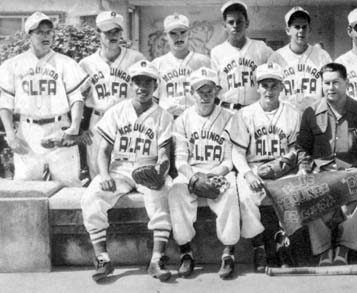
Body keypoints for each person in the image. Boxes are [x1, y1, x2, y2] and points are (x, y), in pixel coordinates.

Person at [80, 61, 173, 282]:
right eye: (137, 82)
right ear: (130, 84)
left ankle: (157, 260)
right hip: (119, 168)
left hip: (148, 165)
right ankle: (103, 258)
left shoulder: (163, 115)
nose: (142, 87)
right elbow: (103, 151)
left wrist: (160, 173)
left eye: (147, 82)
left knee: (161, 195)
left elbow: (165, 154)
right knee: (91, 198)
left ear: (155, 85)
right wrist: (103, 175)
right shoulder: (116, 111)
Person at [296, 63, 357, 266]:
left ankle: (344, 247)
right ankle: (324, 249)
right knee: (307, 191)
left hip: (351, 170)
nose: (331, 88)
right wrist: (303, 168)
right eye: (326, 83)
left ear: (346, 84)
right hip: (321, 170)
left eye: (336, 83)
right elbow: (302, 148)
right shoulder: (311, 112)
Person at [0, 12, 89, 186]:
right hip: (27, 131)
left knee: (69, 184)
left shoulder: (65, 63)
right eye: (40, 32)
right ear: (29, 35)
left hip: (58, 128)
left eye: (49, 32)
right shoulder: (14, 64)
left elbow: (76, 98)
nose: (45, 36)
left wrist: (74, 128)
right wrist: (10, 134)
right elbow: (5, 102)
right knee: (25, 187)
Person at [167, 67, 240, 279]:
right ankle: (186, 251)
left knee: (230, 193)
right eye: (200, 91)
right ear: (192, 93)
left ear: (217, 91)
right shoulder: (182, 120)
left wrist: (213, 175)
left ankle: (228, 251)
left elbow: (229, 159)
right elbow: (180, 159)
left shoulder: (229, 117)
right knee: (176, 191)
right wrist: (193, 177)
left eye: (209, 90)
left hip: (219, 170)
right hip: (192, 171)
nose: (205, 96)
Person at [228, 62, 301, 271]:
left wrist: (283, 163)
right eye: (265, 85)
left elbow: (297, 148)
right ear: (257, 87)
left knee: (292, 191)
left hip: (283, 167)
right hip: (254, 166)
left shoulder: (292, 113)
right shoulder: (245, 114)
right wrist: (248, 174)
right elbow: (237, 153)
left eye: (274, 85)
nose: (269, 90)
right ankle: (258, 247)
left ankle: (283, 243)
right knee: (246, 196)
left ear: (281, 87)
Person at [80, 11, 146, 179]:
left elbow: (149, 94)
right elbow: (76, 99)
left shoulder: (136, 58)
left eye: (116, 30)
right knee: (98, 176)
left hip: (127, 121)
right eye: (107, 31)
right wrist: (81, 128)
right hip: (98, 121)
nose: (112, 35)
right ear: (98, 33)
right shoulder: (86, 64)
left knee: (128, 173)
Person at [211, 0, 274, 110]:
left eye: (239, 21)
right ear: (224, 25)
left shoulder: (261, 48)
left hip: (255, 110)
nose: (235, 26)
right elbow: (213, 87)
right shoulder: (217, 52)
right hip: (227, 110)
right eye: (231, 22)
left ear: (247, 23)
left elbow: (278, 71)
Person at [268, 6, 332, 112]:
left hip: (314, 116)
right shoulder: (277, 57)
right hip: (285, 116)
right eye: (297, 27)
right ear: (288, 30)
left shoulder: (322, 56)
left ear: (309, 29)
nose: (301, 30)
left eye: (304, 27)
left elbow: (330, 87)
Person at [152, 13, 211, 118]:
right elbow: (153, 99)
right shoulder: (157, 64)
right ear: (165, 36)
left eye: (182, 32)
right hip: (167, 119)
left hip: (196, 119)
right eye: (173, 33)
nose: (179, 37)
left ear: (189, 33)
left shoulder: (204, 62)